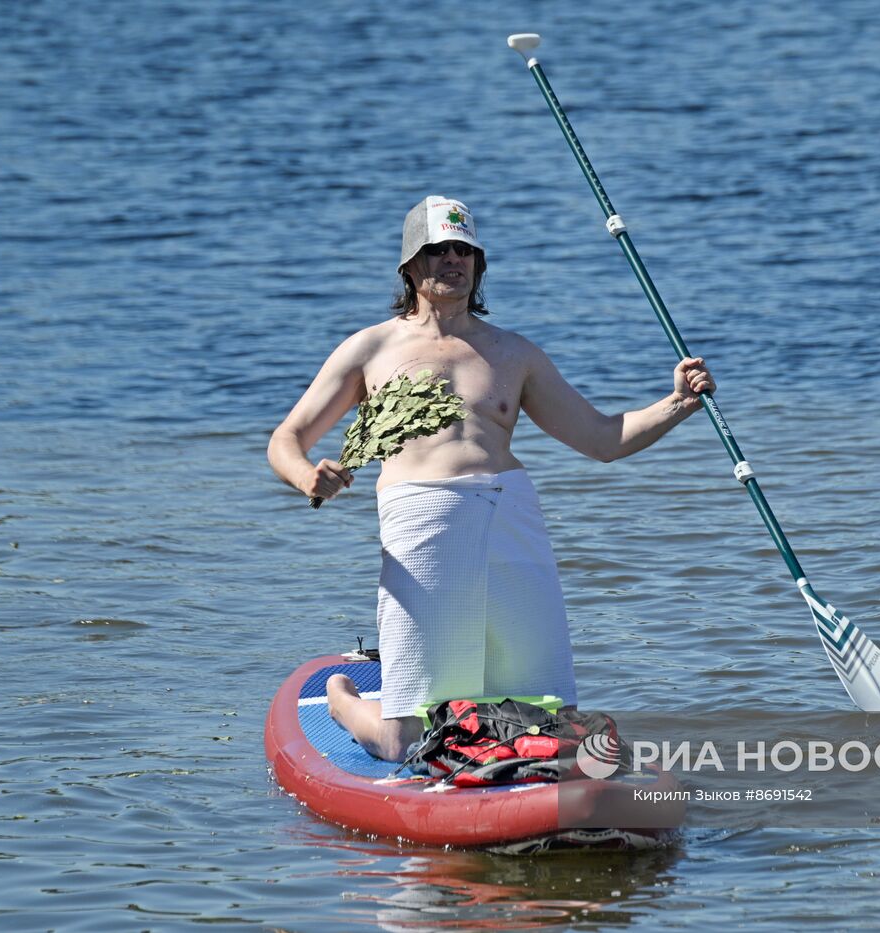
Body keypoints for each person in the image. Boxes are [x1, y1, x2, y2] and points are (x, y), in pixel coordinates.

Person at [268, 195, 715, 761]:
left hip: (512, 515)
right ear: (410, 266)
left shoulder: (513, 353)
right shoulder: (371, 348)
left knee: (548, 718)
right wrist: (310, 477)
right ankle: (343, 699)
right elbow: (286, 440)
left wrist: (676, 403)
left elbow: (603, 439)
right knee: (409, 740)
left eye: (464, 250)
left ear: (478, 264)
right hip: (421, 516)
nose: (452, 259)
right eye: (437, 250)